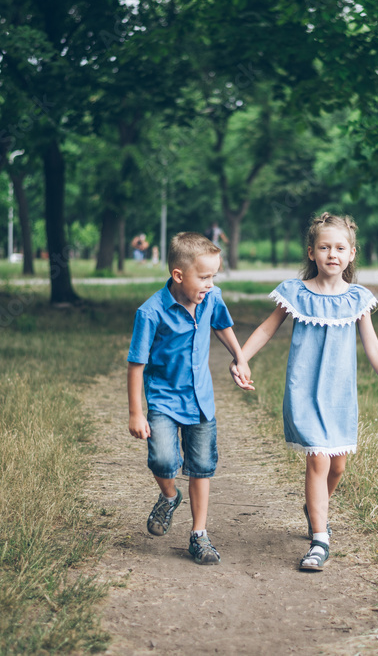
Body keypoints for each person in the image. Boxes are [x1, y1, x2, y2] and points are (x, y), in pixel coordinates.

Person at [233, 213, 378, 572]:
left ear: (352, 254)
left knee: (337, 466)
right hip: (305, 392)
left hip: (340, 397)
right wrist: (241, 358)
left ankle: (314, 508)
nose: (332, 254)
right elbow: (266, 329)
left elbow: (372, 347)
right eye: (324, 247)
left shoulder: (358, 298)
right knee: (318, 460)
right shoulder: (295, 293)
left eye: (340, 248)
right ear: (311, 252)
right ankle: (319, 539)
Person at [127, 232, 253, 565]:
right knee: (164, 461)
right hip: (164, 401)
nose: (210, 284)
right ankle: (169, 495)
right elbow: (136, 365)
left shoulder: (211, 298)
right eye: (204, 276)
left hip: (201, 401)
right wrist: (136, 413)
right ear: (178, 275)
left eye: (214, 276)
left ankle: (199, 535)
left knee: (201, 468)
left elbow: (222, 326)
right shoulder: (151, 312)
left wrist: (239, 357)